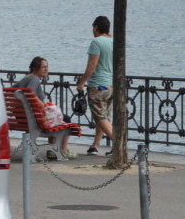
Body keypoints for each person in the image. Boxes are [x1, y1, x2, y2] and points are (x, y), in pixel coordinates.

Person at [16, 56, 74, 159]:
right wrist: (43, 106)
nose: (46, 69)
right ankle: (62, 150)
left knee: (55, 117)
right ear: (35, 68)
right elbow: (30, 94)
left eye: (47, 67)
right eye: (43, 67)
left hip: (22, 118)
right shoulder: (34, 80)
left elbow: (13, 91)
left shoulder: (25, 78)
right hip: (34, 119)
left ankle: (53, 150)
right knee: (66, 119)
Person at [76, 15, 115, 155]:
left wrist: (81, 82)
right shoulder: (114, 41)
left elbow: (92, 65)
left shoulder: (96, 42)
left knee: (100, 117)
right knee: (104, 116)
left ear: (96, 27)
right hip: (111, 86)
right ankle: (94, 146)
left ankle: (118, 145)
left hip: (98, 85)